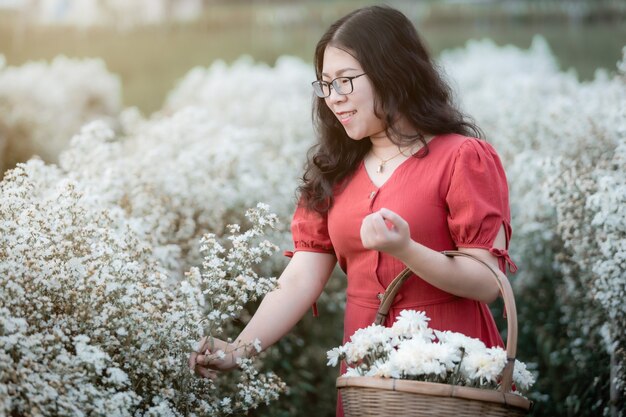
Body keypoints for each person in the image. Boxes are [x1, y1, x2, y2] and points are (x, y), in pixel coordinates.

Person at [189, 5, 517, 416]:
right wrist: (238, 350)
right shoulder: (332, 173)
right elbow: (299, 279)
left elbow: (487, 281)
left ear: (393, 72)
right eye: (326, 85)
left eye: (345, 82)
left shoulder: (464, 157)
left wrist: (406, 249)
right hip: (365, 370)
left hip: (451, 369)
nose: (333, 99)